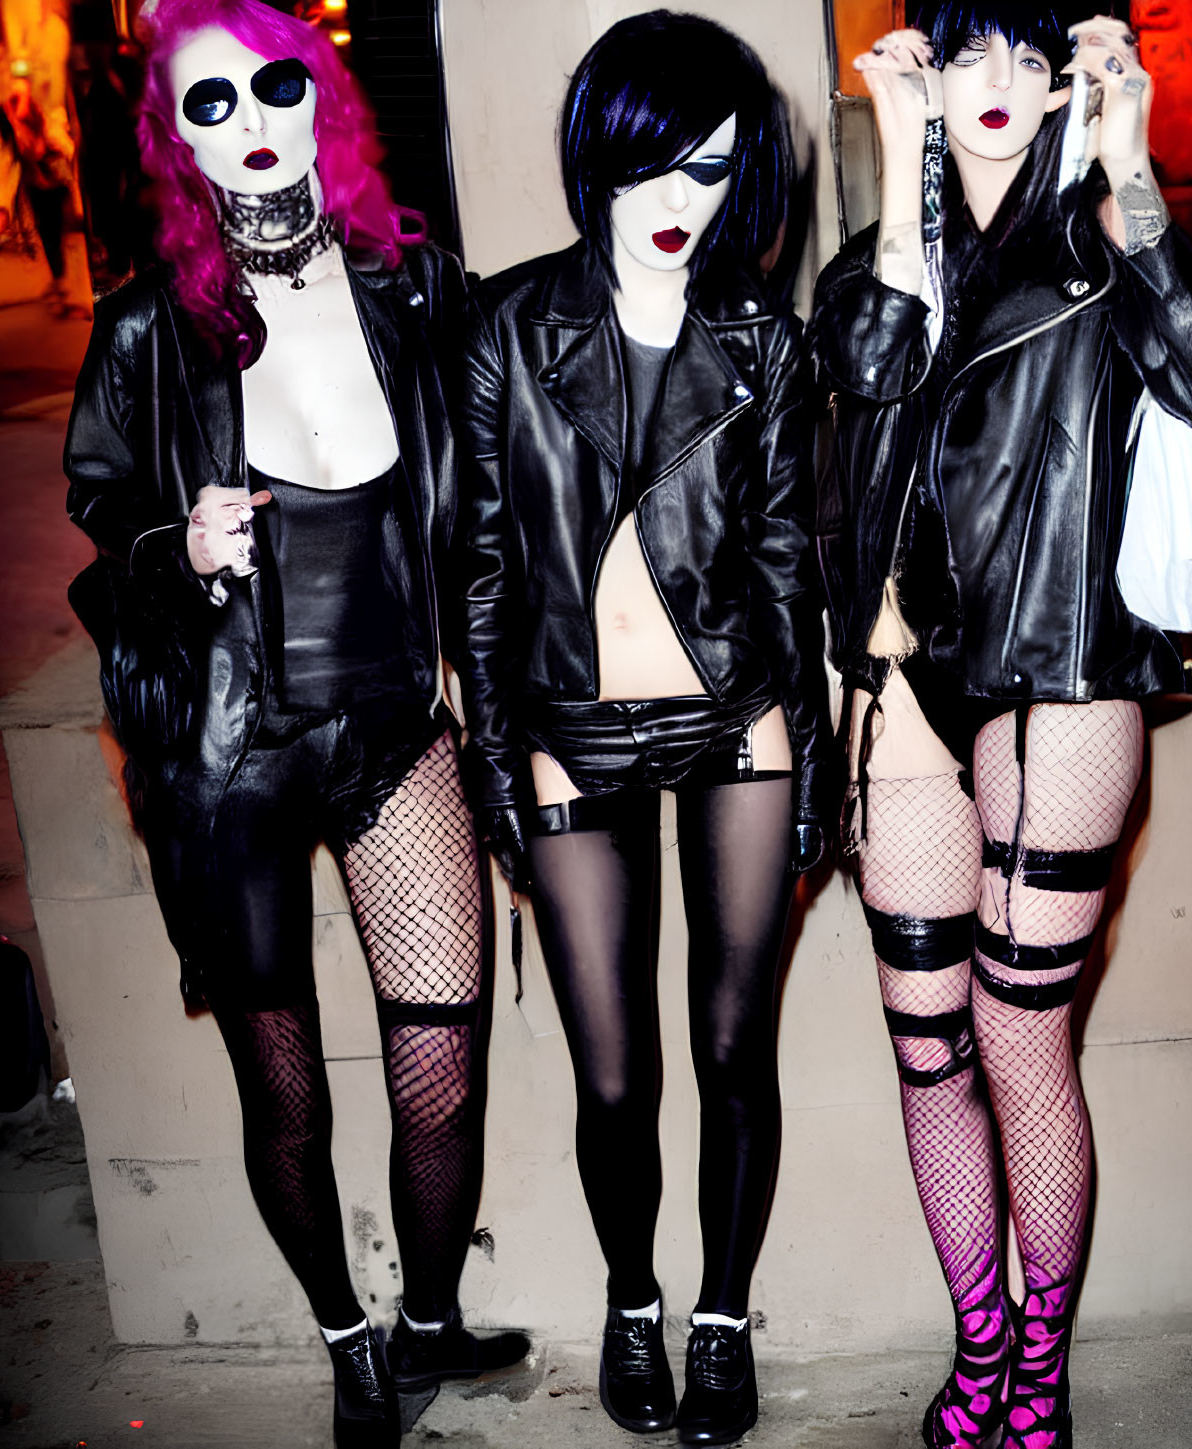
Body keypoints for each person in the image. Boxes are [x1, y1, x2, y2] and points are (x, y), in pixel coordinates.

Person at [63, 1, 527, 1442]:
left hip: (395, 726)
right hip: (231, 748)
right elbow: (99, 506)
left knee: (442, 1061)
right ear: (175, 143)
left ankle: (430, 1322)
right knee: (286, 1095)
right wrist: (170, 545)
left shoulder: (413, 288)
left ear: (317, 92)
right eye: (208, 104)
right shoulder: (150, 326)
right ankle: (348, 1343)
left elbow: (503, 475)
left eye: (272, 85)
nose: (248, 119)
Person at [810, 6, 1192, 1446]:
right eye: (964, 57)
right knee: (924, 1040)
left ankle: (1042, 1371)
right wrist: (899, 162)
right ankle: (982, 1342)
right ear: (922, 75)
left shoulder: (1104, 237)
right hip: (902, 686)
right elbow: (869, 370)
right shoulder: (880, 263)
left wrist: (1133, 167)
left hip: (1064, 673)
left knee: (1019, 1037)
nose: (998, 87)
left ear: (1067, 83)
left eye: (1026, 58)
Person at [459, 12, 832, 1444]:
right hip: (573, 726)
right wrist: (505, 770)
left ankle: (723, 1314)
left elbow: (788, 562)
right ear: (595, 162)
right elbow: (483, 573)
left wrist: (810, 773)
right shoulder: (509, 324)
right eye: (654, 170)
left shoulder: (762, 340)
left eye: (715, 174)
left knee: (737, 1053)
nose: (683, 205)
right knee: (616, 1074)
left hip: (740, 715)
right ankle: (635, 1299)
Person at [0, 77, 74, 313]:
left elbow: (42, 147)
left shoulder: (38, 115)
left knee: (53, 232)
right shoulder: (11, 117)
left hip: (50, 179)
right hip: (38, 181)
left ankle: (59, 283)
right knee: (48, 233)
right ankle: (58, 282)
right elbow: (14, 146)